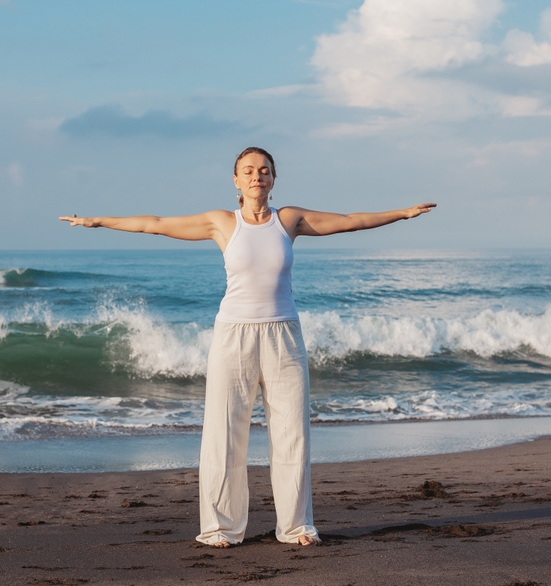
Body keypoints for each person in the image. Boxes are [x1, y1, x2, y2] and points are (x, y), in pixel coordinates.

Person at [60, 147, 435, 547]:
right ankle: (220, 527)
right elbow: (155, 224)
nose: (257, 176)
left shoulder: (288, 220)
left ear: (274, 178)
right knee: (224, 434)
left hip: (284, 337)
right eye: (249, 171)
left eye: (265, 170)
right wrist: (97, 221)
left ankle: (296, 527)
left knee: (292, 434)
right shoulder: (222, 223)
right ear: (236, 180)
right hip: (233, 336)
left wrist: (401, 213)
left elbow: (348, 222)